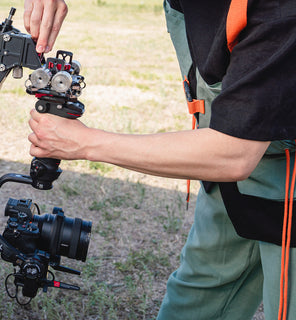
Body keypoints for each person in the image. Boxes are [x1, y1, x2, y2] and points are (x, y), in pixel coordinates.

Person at [24, 0, 296, 319]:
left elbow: (235, 154)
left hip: (257, 162)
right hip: (232, 162)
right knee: (194, 302)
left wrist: (85, 143)